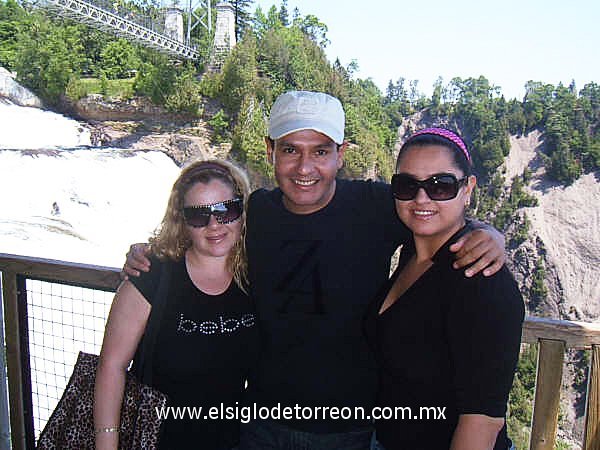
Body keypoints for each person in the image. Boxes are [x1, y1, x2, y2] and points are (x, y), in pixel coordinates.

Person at [123, 91, 506, 450]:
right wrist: (150, 257)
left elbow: (434, 212)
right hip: (259, 423)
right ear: (270, 151)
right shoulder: (255, 213)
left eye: (320, 151)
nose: (305, 167)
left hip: (353, 430)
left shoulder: (377, 207)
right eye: (290, 150)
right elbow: (200, 237)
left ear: (341, 154)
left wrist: (486, 232)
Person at [367, 128, 524, 450]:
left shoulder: (482, 282)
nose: (421, 198)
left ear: (468, 189)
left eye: (441, 186)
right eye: (407, 185)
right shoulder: (414, 252)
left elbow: (483, 419)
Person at [94, 159, 258, 450]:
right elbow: (112, 366)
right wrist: (107, 442)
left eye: (225, 211)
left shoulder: (255, 276)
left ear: (242, 211)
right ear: (182, 221)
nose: (213, 225)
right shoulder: (152, 274)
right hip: (154, 440)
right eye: (198, 216)